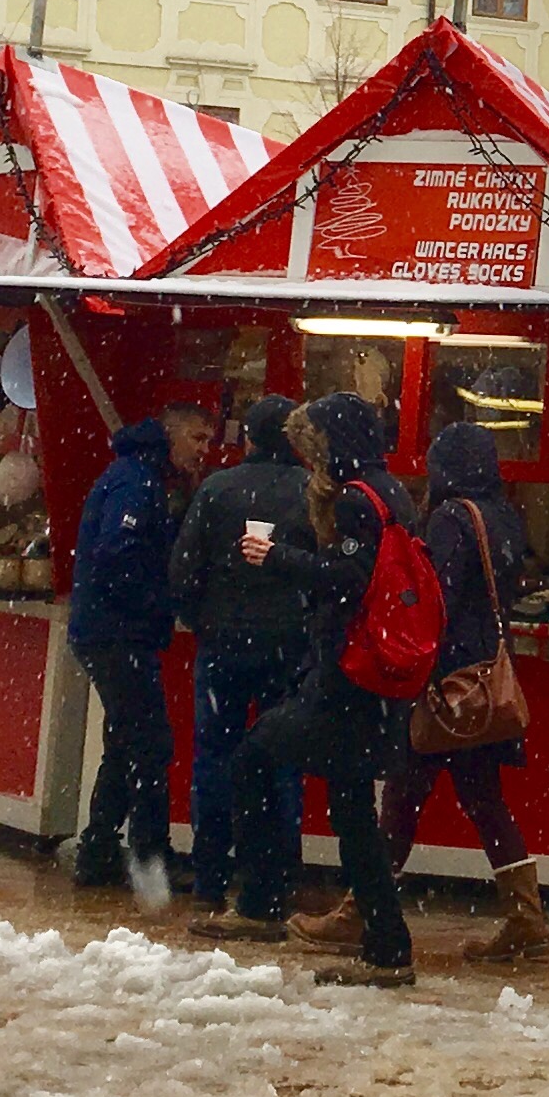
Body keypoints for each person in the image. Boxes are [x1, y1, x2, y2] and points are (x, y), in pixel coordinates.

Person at [322, 418, 549, 970]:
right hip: (480, 684)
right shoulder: (501, 515)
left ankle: (364, 910)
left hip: (444, 684)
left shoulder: (452, 517)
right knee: (481, 800)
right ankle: (527, 920)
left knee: (402, 797)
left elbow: (431, 597)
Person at [200, 394, 412, 984]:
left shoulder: (354, 502)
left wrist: (278, 558)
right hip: (372, 678)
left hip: (346, 677)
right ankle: (387, 945)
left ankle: (265, 902)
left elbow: (347, 577)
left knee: (254, 756)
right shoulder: (389, 490)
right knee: (351, 809)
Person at [170, 396, 315, 917]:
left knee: (216, 757)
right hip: (290, 649)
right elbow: (323, 575)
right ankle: (277, 876)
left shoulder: (216, 490)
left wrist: (204, 620)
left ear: (249, 438)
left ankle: (210, 873)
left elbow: (183, 571)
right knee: (282, 760)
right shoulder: (310, 492)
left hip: (224, 646)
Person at [65, 403, 212, 889]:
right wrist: (160, 601)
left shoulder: (137, 476)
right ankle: (149, 855)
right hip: (118, 632)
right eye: (197, 438)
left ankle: (100, 848)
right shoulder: (137, 484)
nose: (203, 450)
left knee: (126, 741)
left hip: (107, 630)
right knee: (149, 744)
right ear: (170, 437)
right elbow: (117, 555)